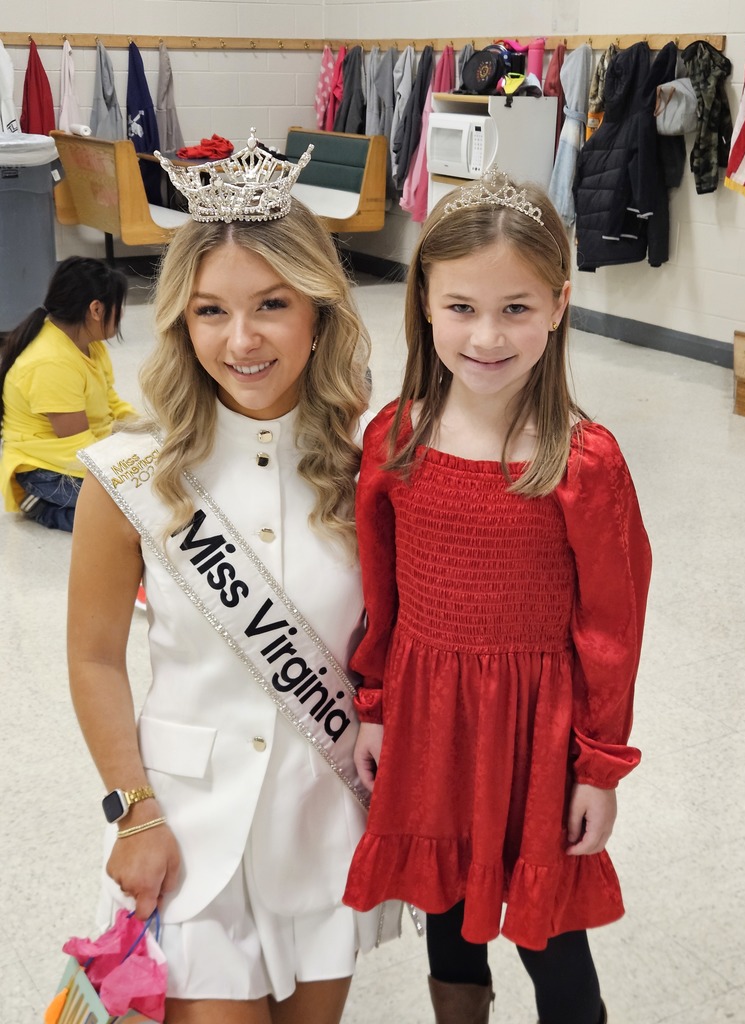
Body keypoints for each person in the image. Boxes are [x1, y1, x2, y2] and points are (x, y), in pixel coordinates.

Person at [67, 138, 382, 1024]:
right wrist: (133, 813)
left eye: (272, 305)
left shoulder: (372, 471)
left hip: (324, 826)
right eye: (210, 311)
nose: (240, 340)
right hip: (186, 835)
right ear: (179, 319)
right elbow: (94, 658)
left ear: (319, 311)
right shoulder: (127, 472)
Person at [342, 168, 653, 1024]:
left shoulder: (584, 461)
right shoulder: (394, 440)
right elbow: (383, 594)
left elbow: (612, 629)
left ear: (558, 304)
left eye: (515, 308)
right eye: (462, 308)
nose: (486, 336)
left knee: (554, 945)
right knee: (447, 915)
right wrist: (373, 707)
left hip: (539, 739)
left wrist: (599, 767)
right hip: (428, 724)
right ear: (424, 303)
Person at [0, 256, 135, 531]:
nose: (121, 315)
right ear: (96, 309)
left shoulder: (89, 344)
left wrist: (148, 434)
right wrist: (131, 464)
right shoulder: (51, 363)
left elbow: (110, 403)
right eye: (118, 306)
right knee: (132, 514)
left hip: (78, 453)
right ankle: (42, 506)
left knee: (156, 485)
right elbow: (78, 446)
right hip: (46, 469)